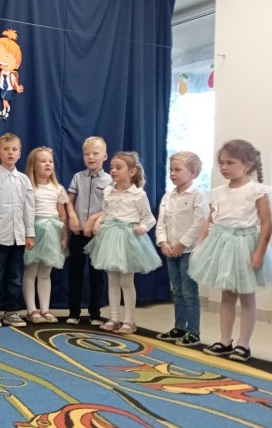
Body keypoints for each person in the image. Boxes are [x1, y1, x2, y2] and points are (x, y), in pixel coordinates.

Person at [190, 139, 272, 362]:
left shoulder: (257, 191)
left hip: (245, 245)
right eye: (221, 162)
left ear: (247, 165)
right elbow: (211, 219)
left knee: (247, 296)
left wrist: (260, 252)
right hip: (222, 245)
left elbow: (266, 223)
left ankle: (243, 344)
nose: (224, 167)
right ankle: (224, 340)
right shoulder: (218, 192)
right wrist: (200, 244)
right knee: (227, 295)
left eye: (230, 163)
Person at [84, 151, 161, 334]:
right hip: (110, 237)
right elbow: (106, 212)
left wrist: (143, 227)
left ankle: (130, 320)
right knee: (112, 281)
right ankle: (114, 318)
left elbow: (149, 218)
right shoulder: (109, 191)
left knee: (126, 281)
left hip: (128, 239)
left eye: (118, 167)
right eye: (112, 167)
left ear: (132, 171)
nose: (113, 171)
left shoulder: (138, 194)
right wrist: (99, 222)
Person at [155, 151, 208, 347]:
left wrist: (182, 244)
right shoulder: (168, 196)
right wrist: (163, 242)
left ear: (193, 173)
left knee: (189, 292)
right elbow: (162, 222)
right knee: (176, 291)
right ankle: (179, 327)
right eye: (171, 170)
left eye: (177, 170)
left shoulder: (198, 195)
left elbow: (200, 223)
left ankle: (193, 331)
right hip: (171, 250)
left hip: (188, 252)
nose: (172, 174)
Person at [0, 133, 35, 327]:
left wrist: (30, 233)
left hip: (18, 237)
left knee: (15, 276)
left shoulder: (24, 180)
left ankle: (12, 311)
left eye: (14, 149)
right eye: (6, 149)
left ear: (20, 154)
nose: (10, 153)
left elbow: (29, 208)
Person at [66, 136, 111, 325]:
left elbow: (111, 207)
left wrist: (96, 219)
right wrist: (72, 216)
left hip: (97, 235)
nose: (91, 157)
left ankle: (95, 313)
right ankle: (73, 312)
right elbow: (69, 201)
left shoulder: (110, 180)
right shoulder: (78, 177)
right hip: (78, 234)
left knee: (97, 276)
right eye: (87, 154)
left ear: (105, 156)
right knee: (74, 274)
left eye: (95, 153)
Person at [22, 147, 68, 324]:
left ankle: (45, 309)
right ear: (33, 165)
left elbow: (62, 215)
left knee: (45, 272)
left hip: (52, 231)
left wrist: (64, 236)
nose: (48, 164)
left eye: (50, 161)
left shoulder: (57, 188)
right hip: (34, 231)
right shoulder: (28, 187)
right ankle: (31, 310)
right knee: (31, 271)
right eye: (43, 161)